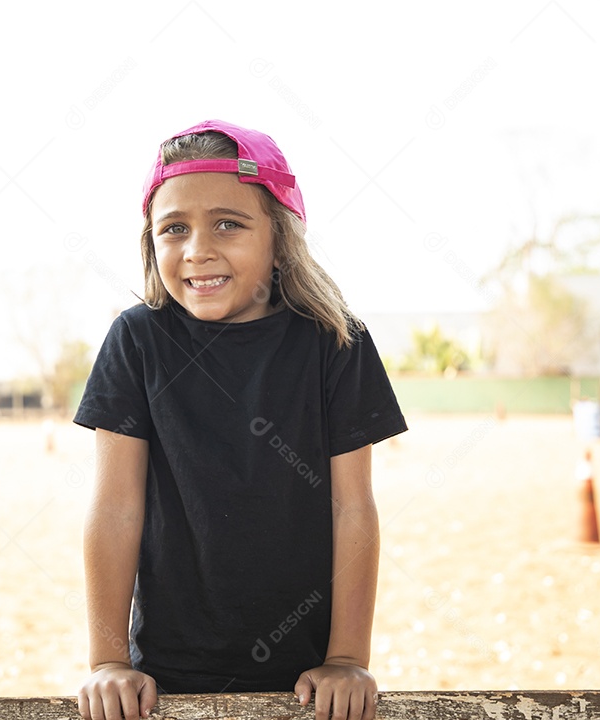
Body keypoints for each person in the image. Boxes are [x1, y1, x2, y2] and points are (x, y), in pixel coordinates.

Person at [73, 120, 407, 720]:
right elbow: (116, 508)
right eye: (174, 228)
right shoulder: (137, 340)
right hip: (165, 678)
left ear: (279, 238)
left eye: (228, 223)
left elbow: (352, 507)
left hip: (305, 681)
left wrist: (346, 659)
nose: (198, 249)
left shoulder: (336, 341)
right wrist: (108, 662)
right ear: (151, 243)